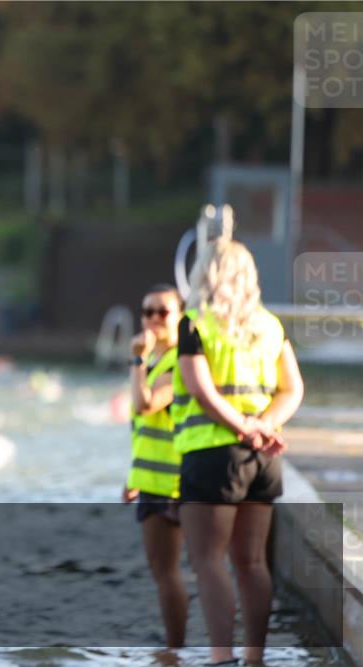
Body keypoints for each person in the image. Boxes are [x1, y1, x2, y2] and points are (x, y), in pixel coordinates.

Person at [172, 239, 304, 666]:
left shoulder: (194, 323)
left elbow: (200, 389)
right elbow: (292, 388)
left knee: (208, 560)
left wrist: (243, 427)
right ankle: (255, 658)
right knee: (251, 562)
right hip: (264, 460)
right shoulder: (269, 325)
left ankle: (221, 658)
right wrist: (263, 426)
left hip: (213, 455)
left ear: (203, 273)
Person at [122, 284, 187, 649]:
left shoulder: (178, 361)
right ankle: (176, 647)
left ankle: (175, 650)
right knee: (165, 571)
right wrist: (130, 476)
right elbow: (142, 429)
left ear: (180, 314)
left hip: (172, 483)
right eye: (148, 312)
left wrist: (136, 360)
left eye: (163, 311)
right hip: (151, 479)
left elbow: (146, 405)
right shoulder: (157, 361)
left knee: (167, 572)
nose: (154, 319)